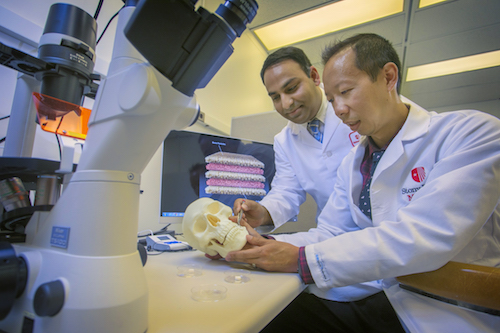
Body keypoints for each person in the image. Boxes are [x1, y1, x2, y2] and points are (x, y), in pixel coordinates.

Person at [224, 33, 500, 332]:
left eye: (346, 92)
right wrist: (259, 244)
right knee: (265, 316)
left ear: (388, 77)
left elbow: (421, 236)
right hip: (376, 291)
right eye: (332, 99)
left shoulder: (472, 133)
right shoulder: (353, 163)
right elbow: (331, 229)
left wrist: (304, 259)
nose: (339, 109)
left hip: (444, 310)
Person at [234, 46, 358, 230]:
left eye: (291, 88)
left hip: (384, 229)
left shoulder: (354, 104)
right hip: (333, 235)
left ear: (314, 76)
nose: (286, 104)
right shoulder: (284, 141)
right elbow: (286, 191)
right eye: (275, 97)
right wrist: (262, 211)